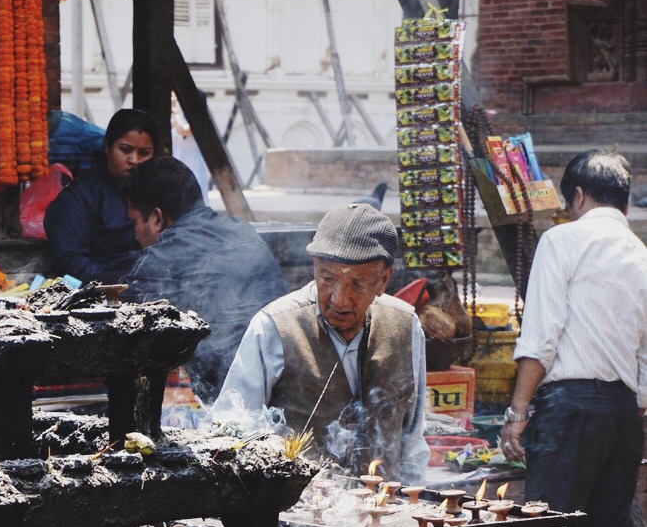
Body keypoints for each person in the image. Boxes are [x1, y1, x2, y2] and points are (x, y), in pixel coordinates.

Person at [501, 149, 647, 527]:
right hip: (624, 415)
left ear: (578, 197)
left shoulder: (563, 241)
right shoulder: (642, 255)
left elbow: (541, 338)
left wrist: (517, 414)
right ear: (622, 203)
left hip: (570, 411)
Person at [215, 203, 429, 483]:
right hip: (297, 510)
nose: (339, 299)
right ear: (314, 268)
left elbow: (412, 438)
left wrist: (412, 503)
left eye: (357, 284)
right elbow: (231, 427)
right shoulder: (274, 326)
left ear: (383, 280)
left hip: (381, 510)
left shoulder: (405, 326)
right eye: (327, 278)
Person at [123, 156, 288, 400]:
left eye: (134, 222)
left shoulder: (160, 259)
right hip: (284, 378)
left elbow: (123, 330)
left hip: (226, 397)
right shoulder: (241, 229)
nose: (135, 234)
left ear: (157, 218)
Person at [44, 108, 158, 282]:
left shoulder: (160, 190)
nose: (134, 160)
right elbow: (69, 259)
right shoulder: (80, 196)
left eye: (144, 153)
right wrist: (122, 283)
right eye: (125, 150)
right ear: (107, 146)